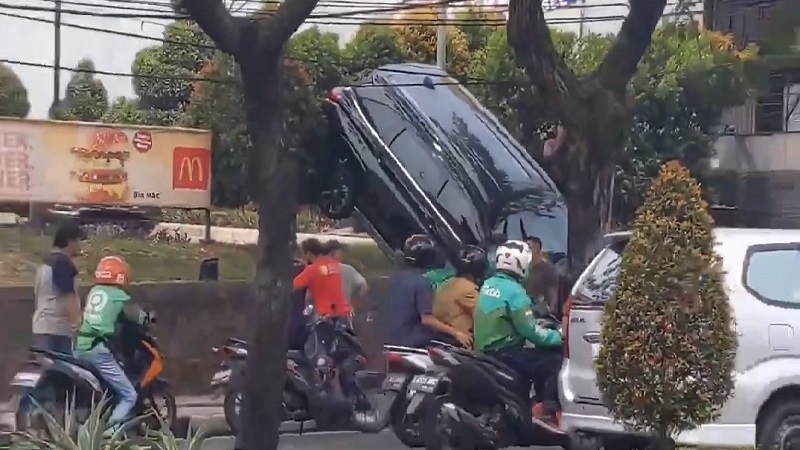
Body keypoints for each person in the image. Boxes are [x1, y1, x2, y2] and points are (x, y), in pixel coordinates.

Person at [473, 240, 563, 429]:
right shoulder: (515, 291)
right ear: (522, 264)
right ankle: (547, 410)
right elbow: (533, 334)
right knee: (553, 361)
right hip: (507, 353)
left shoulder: (488, 284)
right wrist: (560, 337)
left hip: (485, 351)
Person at [74, 256, 145, 434]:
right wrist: (148, 318)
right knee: (129, 395)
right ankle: (109, 435)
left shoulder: (95, 291)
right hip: (97, 350)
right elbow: (137, 316)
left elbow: (112, 316)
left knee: (104, 389)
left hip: (79, 346)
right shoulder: (119, 296)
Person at [386, 234, 472, 348]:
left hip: (393, 338)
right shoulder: (422, 282)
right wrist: (457, 333)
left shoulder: (396, 277)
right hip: (414, 339)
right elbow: (427, 320)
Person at [32, 221, 83, 354]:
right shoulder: (62, 263)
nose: (79, 245)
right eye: (78, 240)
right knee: (62, 371)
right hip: (57, 330)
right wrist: (77, 326)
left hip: (41, 326)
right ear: (69, 241)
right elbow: (68, 297)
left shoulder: (45, 263)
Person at [432, 245, 487, 348]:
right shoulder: (469, 289)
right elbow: (482, 319)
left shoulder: (445, 284)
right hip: (461, 344)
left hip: (440, 339)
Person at [293, 238, 351, 319]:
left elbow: (292, 285)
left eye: (303, 254)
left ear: (308, 254)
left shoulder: (312, 270)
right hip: (344, 315)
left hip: (327, 317)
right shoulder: (333, 264)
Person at [321, 240, 368, 313]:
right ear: (336, 253)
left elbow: (309, 296)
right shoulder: (349, 269)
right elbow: (364, 286)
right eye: (340, 253)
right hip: (343, 312)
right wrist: (354, 304)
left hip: (323, 314)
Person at [525, 237, 560, 317]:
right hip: (523, 311)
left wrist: (549, 311)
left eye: (530, 248)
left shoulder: (548, 270)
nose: (526, 251)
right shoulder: (522, 268)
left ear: (538, 250)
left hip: (540, 315)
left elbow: (553, 295)